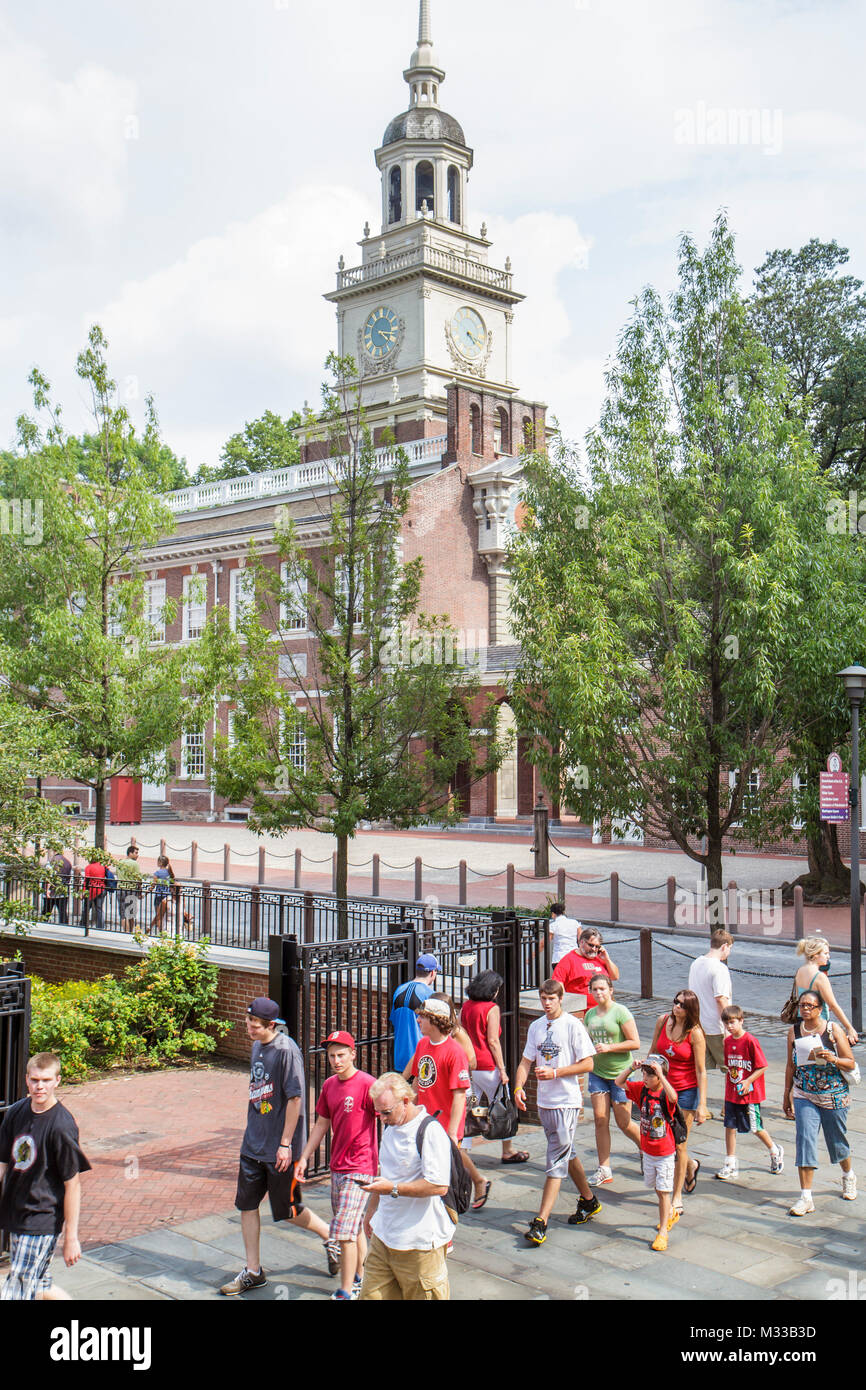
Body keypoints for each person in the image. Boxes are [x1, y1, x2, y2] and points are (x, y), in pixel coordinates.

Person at [219, 997, 333, 1295]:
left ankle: (330, 1235)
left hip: (279, 1149)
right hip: (252, 1144)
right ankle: (253, 1270)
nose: (249, 1029)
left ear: (270, 1025)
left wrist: (285, 1144)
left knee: (287, 1210)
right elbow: (264, 1096)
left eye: (254, 1025)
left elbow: (295, 1098)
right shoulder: (257, 1045)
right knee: (246, 1205)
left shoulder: (287, 1051)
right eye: (248, 1022)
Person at [514, 979, 600, 1244]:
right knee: (566, 1151)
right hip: (545, 1103)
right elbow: (526, 1061)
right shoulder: (536, 1027)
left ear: (561, 999)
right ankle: (589, 1200)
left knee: (555, 1159)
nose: (547, 1003)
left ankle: (541, 1221)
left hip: (566, 1101)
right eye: (543, 999)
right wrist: (518, 1087)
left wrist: (556, 1072)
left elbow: (588, 1063)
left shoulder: (573, 1026)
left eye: (551, 999)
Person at [0, 1052, 91, 1300]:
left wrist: (71, 1237)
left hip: (41, 1219)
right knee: (39, 1285)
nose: (40, 1086)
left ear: (57, 1081)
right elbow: (2, 1164)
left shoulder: (61, 1126)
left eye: (46, 1080)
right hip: (16, 1214)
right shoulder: (16, 1112)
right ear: (27, 1080)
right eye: (35, 1080)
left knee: (17, 1290)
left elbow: (72, 1185)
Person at [297, 1031, 377, 1301]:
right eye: (331, 1055)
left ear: (353, 1054)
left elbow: (387, 1119)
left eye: (341, 1054)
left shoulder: (368, 1084)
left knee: (343, 1230)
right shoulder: (329, 1086)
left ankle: (346, 1289)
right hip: (337, 1166)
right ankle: (362, 1278)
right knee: (352, 1228)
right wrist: (306, 1156)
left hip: (362, 1166)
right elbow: (322, 1123)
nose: (336, 1060)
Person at [359, 1073, 452, 1301]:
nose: (381, 1118)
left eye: (386, 1112)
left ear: (406, 1102)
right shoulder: (391, 1127)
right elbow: (386, 1173)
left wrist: (393, 1188)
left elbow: (438, 1185)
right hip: (385, 1237)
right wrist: (372, 1210)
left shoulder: (430, 1131)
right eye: (378, 1113)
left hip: (419, 1244)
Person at [403, 996, 489, 1210]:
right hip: (425, 1117)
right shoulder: (423, 1044)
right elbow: (417, 1080)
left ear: (434, 1020)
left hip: (444, 1120)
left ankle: (466, 1192)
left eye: (422, 1017)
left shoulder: (454, 1051)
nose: (417, 1021)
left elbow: (460, 1094)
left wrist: (452, 1132)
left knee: (445, 1171)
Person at [783, 989, 858, 1215]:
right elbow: (790, 1064)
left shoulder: (832, 1030)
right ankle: (806, 1197)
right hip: (804, 1093)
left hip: (833, 1094)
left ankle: (848, 1174)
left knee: (837, 1142)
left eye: (809, 1006)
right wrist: (787, 1092)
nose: (805, 1009)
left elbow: (851, 1062)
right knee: (804, 1139)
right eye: (802, 1005)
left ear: (819, 1008)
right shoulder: (794, 1031)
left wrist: (833, 1057)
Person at [460, 970, 529, 1165]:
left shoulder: (466, 1006)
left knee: (471, 1105)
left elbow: (459, 1030)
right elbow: (493, 1041)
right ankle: (507, 1149)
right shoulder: (491, 1009)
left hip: (470, 1066)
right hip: (488, 1067)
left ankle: (463, 1148)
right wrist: (503, 1069)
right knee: (501, 1105)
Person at [649, 989, 708, 1216]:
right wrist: (647, 1079)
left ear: (690, 1009)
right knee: (664, 1140)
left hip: (685, 1091)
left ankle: (676, 1196)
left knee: (679, 1144)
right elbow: (654, 1051)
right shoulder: (663, 1021)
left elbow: (701, 1071)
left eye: (682, 1005)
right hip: (663, 1087)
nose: (677, 1007)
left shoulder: (695, 1034)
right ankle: (690, 1165)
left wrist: (702, 1104)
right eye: (675, 1002)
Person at [615, 1053, 680, 1252]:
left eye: (649, 1076)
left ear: (659, 1077)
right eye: (644, 1075)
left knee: (662, 1191)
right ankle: (670, 1213)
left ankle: (663, 1233)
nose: (645, 1079)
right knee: (656, 1188)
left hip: (665, 1152)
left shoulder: (663, 1094)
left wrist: (662, 1074)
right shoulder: (641, 1090)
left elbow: (673, 1097)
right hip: (648, 1150)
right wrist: (631, 1068)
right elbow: (619, 1082)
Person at [583, 973, 641, 1184]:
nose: (598, 993)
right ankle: (604, 1168)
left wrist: (610, 1047)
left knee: (624, 1123)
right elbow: (588, 1041)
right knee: (600, 1119)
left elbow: (635, 1042)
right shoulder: (590, 1015)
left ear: (610, 990)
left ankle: (646, 1149)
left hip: (620, 1074)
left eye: (602, 989)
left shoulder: (620, 1012)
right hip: (597, 1072)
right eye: (595, 989)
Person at [716, 1005, 784, 1180]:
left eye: (732, 1022)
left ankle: (774, 1150)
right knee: (729, 1126)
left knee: (755, 1127)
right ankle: (730, 1162)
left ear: (741, 1021)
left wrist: (748, 1080)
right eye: (727, 1023)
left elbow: (762, 1066)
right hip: (732, 1092)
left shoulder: (750, 1041)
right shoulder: (728, 1042)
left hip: (749, 1095)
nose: (730, 1026)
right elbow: (730, 1067)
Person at [793, 937, 857, 1043]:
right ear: (815, 955)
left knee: (805, 1056)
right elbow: (833, 1005)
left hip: (802, 1023)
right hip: (818, 1025)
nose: (828, 956)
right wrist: (849, 1028)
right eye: (826, 953)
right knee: (821, 1058)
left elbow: (799, 997)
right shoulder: (819, 977)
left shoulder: (800, 971)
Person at [687, 929, 733, 1070]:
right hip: (716, 1028)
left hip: (699, 1025)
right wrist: (729, 1027)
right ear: (724, 946)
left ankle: (702, 1093)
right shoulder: (719, 969)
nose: (729, 952)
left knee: (702, 1070)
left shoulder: (696, 963)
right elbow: (721, 999)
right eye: (730, 949)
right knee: (733, 1069)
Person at [553, 927, 619, 1017]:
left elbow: (615, 976)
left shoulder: (600, 958)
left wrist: (607, 959)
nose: (594, 949)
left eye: (597, 946)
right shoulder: (568, 960)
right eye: (591, 945)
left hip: (604, 1011)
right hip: (582, 1013)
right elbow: (558, 985)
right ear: (581, 942)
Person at [390, 954, 439, 1071]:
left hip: (400, 1057)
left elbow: (393, 1020)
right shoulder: (430, 994)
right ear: (432, 973)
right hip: (423, 1058)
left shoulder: (399, 990)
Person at [116, 844, 143, 933]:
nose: (137, 855)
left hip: (121, 889)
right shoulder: (135, 864)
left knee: (123, 914)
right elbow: (139, 878)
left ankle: (125, 932)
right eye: (136, 853)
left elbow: (117, 874)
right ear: (130, 853)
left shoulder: (119, 862)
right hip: (131, 890)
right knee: (131, 913)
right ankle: (130, 932)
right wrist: (140, 891)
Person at [549, 902, 582, 967]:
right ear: (563, 912)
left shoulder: (553, 926)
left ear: (553, 914)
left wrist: (533, 955)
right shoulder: (575, 923)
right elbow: (581, 939)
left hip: (559, 958)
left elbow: (544, 942)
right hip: (574, 956)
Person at [79, 852, 106, 931]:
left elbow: (86, 880)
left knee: (86, 908)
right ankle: (100, 927)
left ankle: (83, 924)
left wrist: (83, 891)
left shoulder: (89, 867)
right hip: (101, 889)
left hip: (91, 890)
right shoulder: (103, 866)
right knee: (99, 909)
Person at [44, 851, 71, 925]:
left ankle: (43, 925)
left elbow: (49, 877)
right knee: (63, 913)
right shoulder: (67, 862)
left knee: (46, 912)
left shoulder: (51, 862)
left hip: (52, 891)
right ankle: (64, 927)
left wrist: (47, 890)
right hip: (63, 891)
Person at [149, 855, 172, 934]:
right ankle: (165, 931)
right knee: (165, 915)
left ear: (160, 863)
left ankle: (161, 932)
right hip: (167, 895)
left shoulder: (157, 873)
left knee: (158, 916)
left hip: (159, 895)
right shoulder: (169, 872)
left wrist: (148, 891)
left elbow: (153, 884)